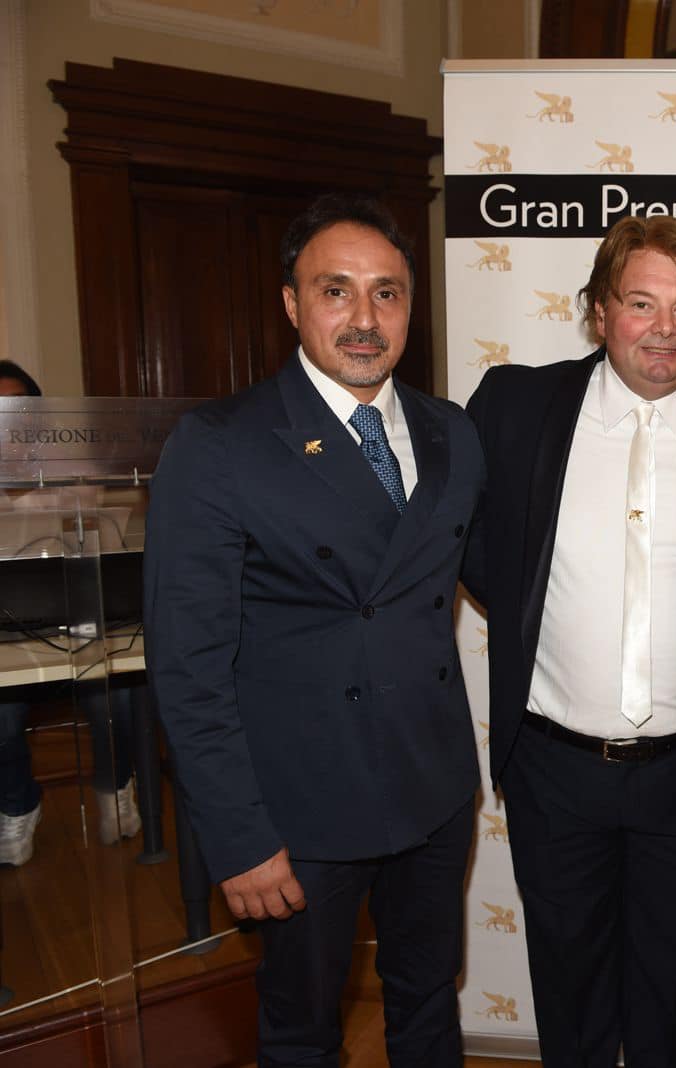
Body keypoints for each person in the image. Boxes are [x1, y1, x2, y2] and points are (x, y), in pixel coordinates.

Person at [143, 194, 485, 1067]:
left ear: (411, 306)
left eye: (387, 293)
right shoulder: (221, 443)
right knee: (301, 1033)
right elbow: (187, 666)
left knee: (428, 1003)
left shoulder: (452, 433)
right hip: (298, 813)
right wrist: (239, 839)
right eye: (337, 290)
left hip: (433, 789)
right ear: (293, 304)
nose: (365, 318)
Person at [461, 214, 676, 1067]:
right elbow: (474, 549)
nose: (664, 329)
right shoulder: (515, 407)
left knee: (668, 995)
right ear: (600, 311)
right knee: (569, 999)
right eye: (642, 303)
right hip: (553, 768)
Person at [0, 360, 140, 865]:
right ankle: (17, 806)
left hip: (78, 620)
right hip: (8, 633)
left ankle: (117, 787)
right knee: (2, 713)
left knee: (115, 697)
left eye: (18, 409)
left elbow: (84, 524)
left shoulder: (70, 463)